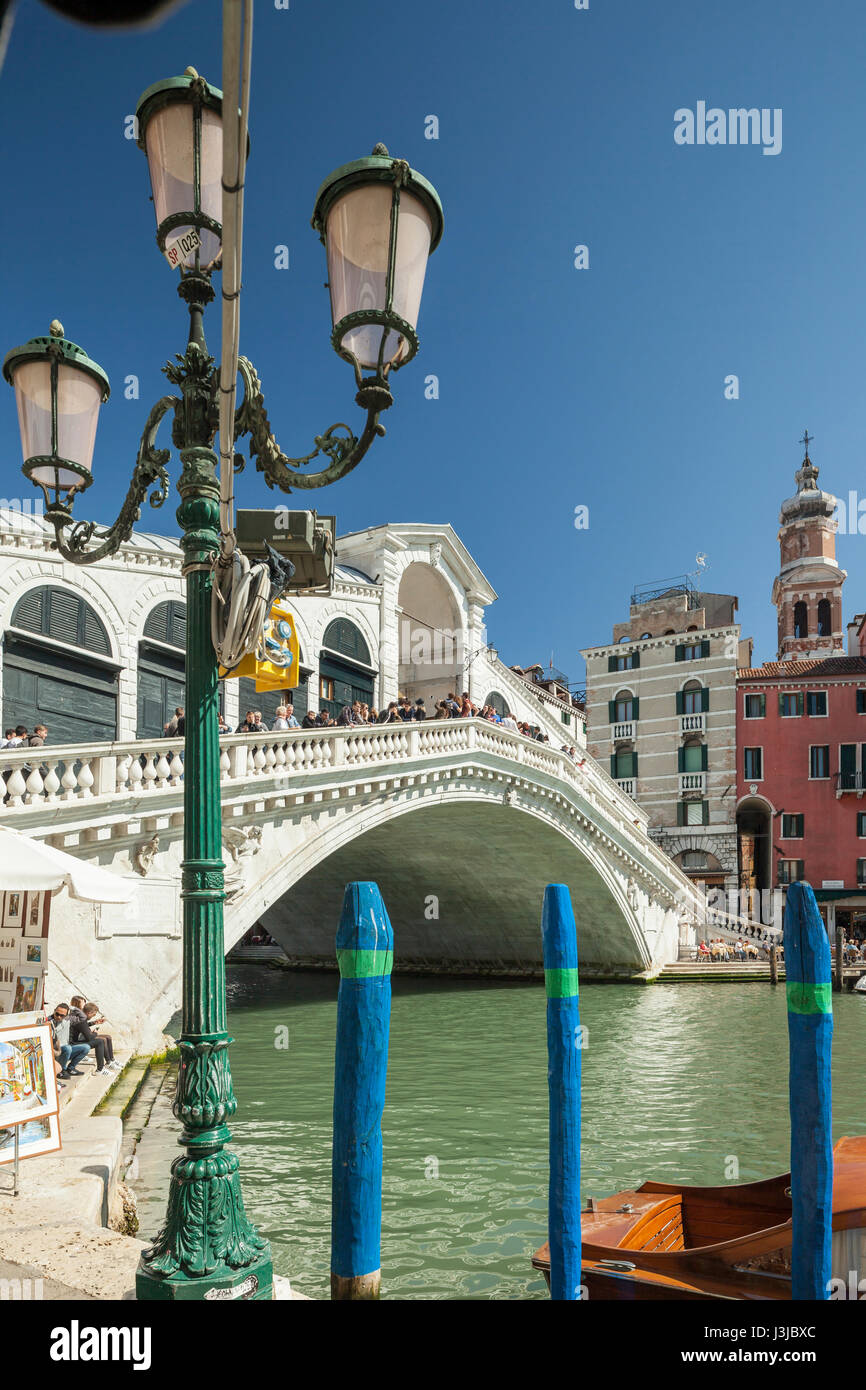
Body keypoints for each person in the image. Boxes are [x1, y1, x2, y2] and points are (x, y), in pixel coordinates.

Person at [68, 995, 112, 1074]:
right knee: (100, 1041)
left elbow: (83, 1026)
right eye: (83, 1005)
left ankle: (110, 1062)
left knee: (104, 1039)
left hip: (75, 1040)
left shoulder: (76, 1015)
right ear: (77, 1005)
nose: (85, 1006)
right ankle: (100, 1069)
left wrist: (94, 1022)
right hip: (73, 1043)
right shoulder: (80, 1017)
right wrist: (94, 1033)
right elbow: (89, 1037)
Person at [49, 1003, 89, 1078]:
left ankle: (70, 1068)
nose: (58, 1017)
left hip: (66, 1050)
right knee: (68, 1048)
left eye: (62, 1015)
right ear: (54, 1011)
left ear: (67, 1015)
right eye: (57, 1014)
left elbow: (83, 1017)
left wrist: (72, 1007)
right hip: (55, 1052)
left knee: (86, 1047)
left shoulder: (68, 1020)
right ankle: (61, 1071)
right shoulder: (48, 1021)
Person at [82, 1002, 119, 1071]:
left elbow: (85, 1026)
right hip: (82, 1039)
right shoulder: (81, 1018)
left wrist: (95, 1022)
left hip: (86, 1036)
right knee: (102, 1040)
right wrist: (95, 1033)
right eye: (94, 1014)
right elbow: (87, 1035)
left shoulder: (83, 1018)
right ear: (89, 1013)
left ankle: (112, 1060)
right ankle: (108, 1063)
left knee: (108, 1037)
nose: (94, 1016)